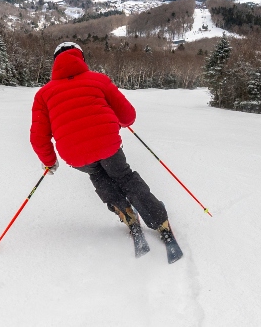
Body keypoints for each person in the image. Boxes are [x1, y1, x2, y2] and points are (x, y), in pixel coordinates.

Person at [29, 41, 178, 254]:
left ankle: (124, 210)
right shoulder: (98, 80)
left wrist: (50, 162)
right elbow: (128, 115)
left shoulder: (43, 94)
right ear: (80, 58)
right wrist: (118, 121)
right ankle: (158, 219)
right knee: (124, 177)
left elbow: (38, 137)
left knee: (98, 176)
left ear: (55, 63)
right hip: (107, 145)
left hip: (75, 154)